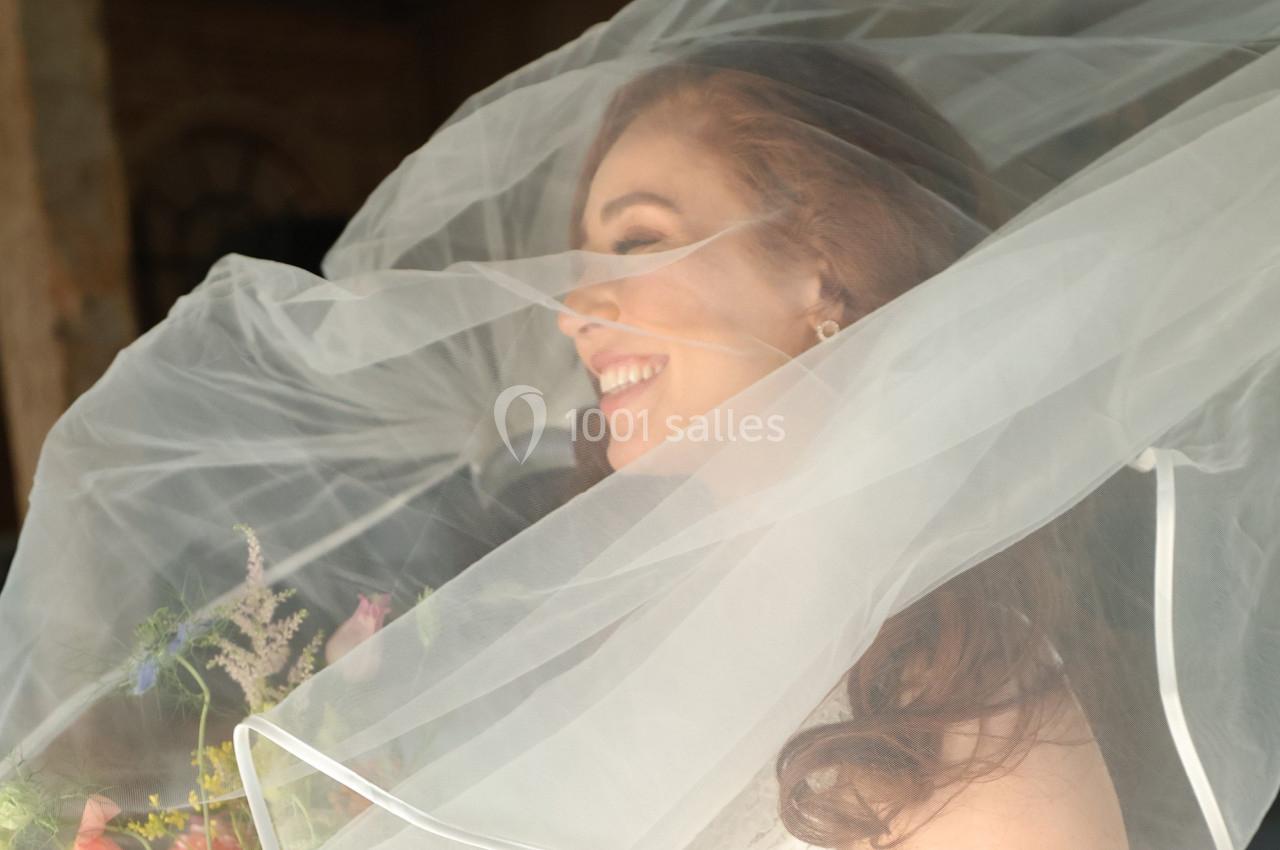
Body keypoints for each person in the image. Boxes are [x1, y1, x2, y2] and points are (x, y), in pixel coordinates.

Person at [555, 40, 1128, 850]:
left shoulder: (970, 733)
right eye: (579, 261)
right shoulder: (623, 628)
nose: (571, 310)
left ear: (824, 272)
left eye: (639, 241)